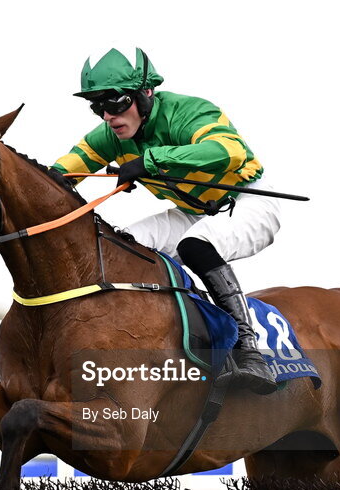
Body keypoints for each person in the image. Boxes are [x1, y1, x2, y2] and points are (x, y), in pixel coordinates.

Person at [52, 48, 283, 395]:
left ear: (146, 94)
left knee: (195, 246)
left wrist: (151, 160)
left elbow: (228, 151)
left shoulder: (188, 111)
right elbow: (61, 173)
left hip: (247, 199)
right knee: (120, 247)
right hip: (192, 211)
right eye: (97, 106)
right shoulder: (110, 136)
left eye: (115, 102)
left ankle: (249, 352)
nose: (108, 115)